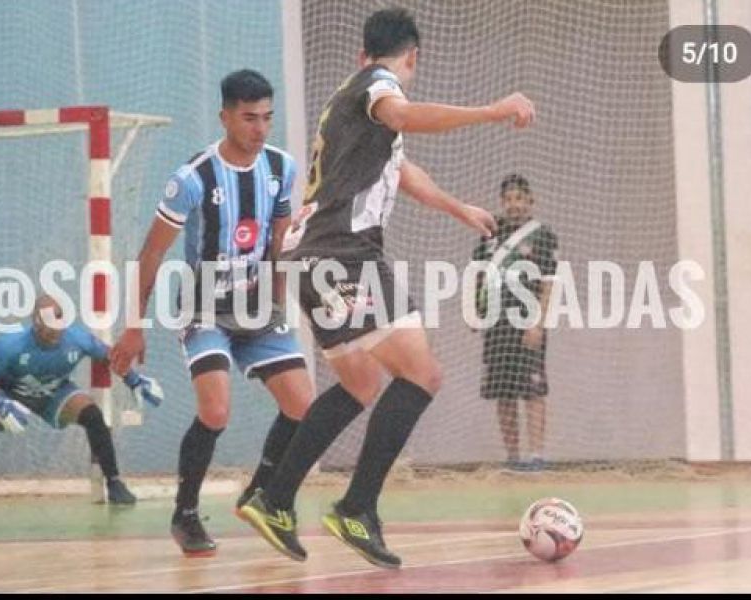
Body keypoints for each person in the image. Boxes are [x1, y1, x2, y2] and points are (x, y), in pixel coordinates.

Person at [237, 7, 535, 569]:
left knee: (360, 384)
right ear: (412, 57)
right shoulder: (380, 86)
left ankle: (273, 497)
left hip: (308, 254)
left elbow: (398, 169)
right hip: (342, 254)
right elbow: (401, 114)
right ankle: (355, 507)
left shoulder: (350, 98)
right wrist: (493, 110)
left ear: (361, 51)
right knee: (423, 374)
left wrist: (456, 208)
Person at [109, 69, 313, 557]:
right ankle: (184, 514)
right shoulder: (192, 178)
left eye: (266, 117)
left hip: (259, 308)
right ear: (225, 117)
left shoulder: (281, 167)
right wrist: (133, 326)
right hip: (205, 309)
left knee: (305, 407)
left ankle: (259, 494)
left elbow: (279, 243)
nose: (260, 128)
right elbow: (150, 255)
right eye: (248, 118)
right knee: (216, 410)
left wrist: (279, 300)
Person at [0, 295, 163, 513]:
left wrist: (134, 380)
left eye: (57, 328)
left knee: (93, 416)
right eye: (46, 330)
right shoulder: (11, 344)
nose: (53, 334)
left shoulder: (77, 338)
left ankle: (115, 483)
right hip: (10, 395)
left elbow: (109, 355)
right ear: (35, 326)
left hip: (55, 395)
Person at [473, 174, 558, 473]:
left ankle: (536, 455)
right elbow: (478, 275)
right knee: (503, 391)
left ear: (530, 201)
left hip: (527, 323)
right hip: (496, 324)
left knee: (533, 390)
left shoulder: (543, 236)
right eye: (508, 199)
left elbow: (549, 284)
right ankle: (513, 456)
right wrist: (474, 311)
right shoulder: (489, 233)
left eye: (519, 198)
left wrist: (538, 323)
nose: (514, 205)